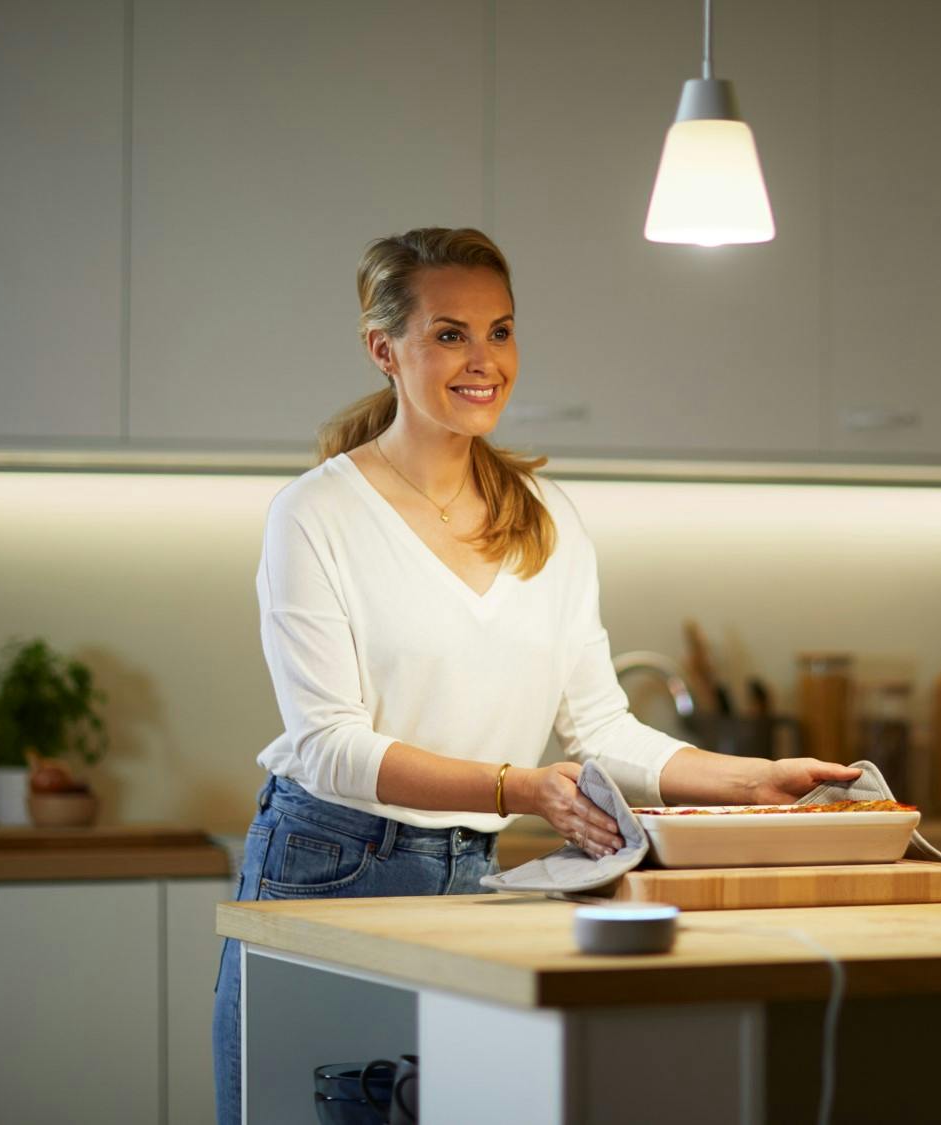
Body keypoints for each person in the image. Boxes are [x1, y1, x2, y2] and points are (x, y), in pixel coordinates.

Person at [212, 227, 858, 1120]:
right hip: (332, 866)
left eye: (501, 331)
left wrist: (755, 780)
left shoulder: (546, 518)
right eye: (450, 334)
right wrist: (521, 787)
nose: (484, 361)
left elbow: (600, 729)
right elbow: (327, 745)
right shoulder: (317, 513)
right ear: (383, 349)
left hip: (479, 877)